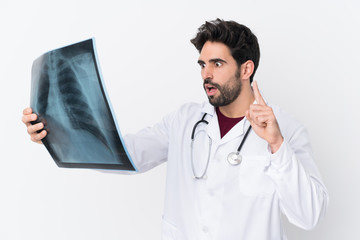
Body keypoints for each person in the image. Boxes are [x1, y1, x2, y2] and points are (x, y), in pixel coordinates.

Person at [22, 19, 329, 240]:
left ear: (246, 69)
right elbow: (126, 153)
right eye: (202, 64)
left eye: (217, 64)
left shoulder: (287, 130)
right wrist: (56, 133)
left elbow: (309, 215)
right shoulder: (185, 121)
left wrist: (276, 144)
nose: (206, 75)